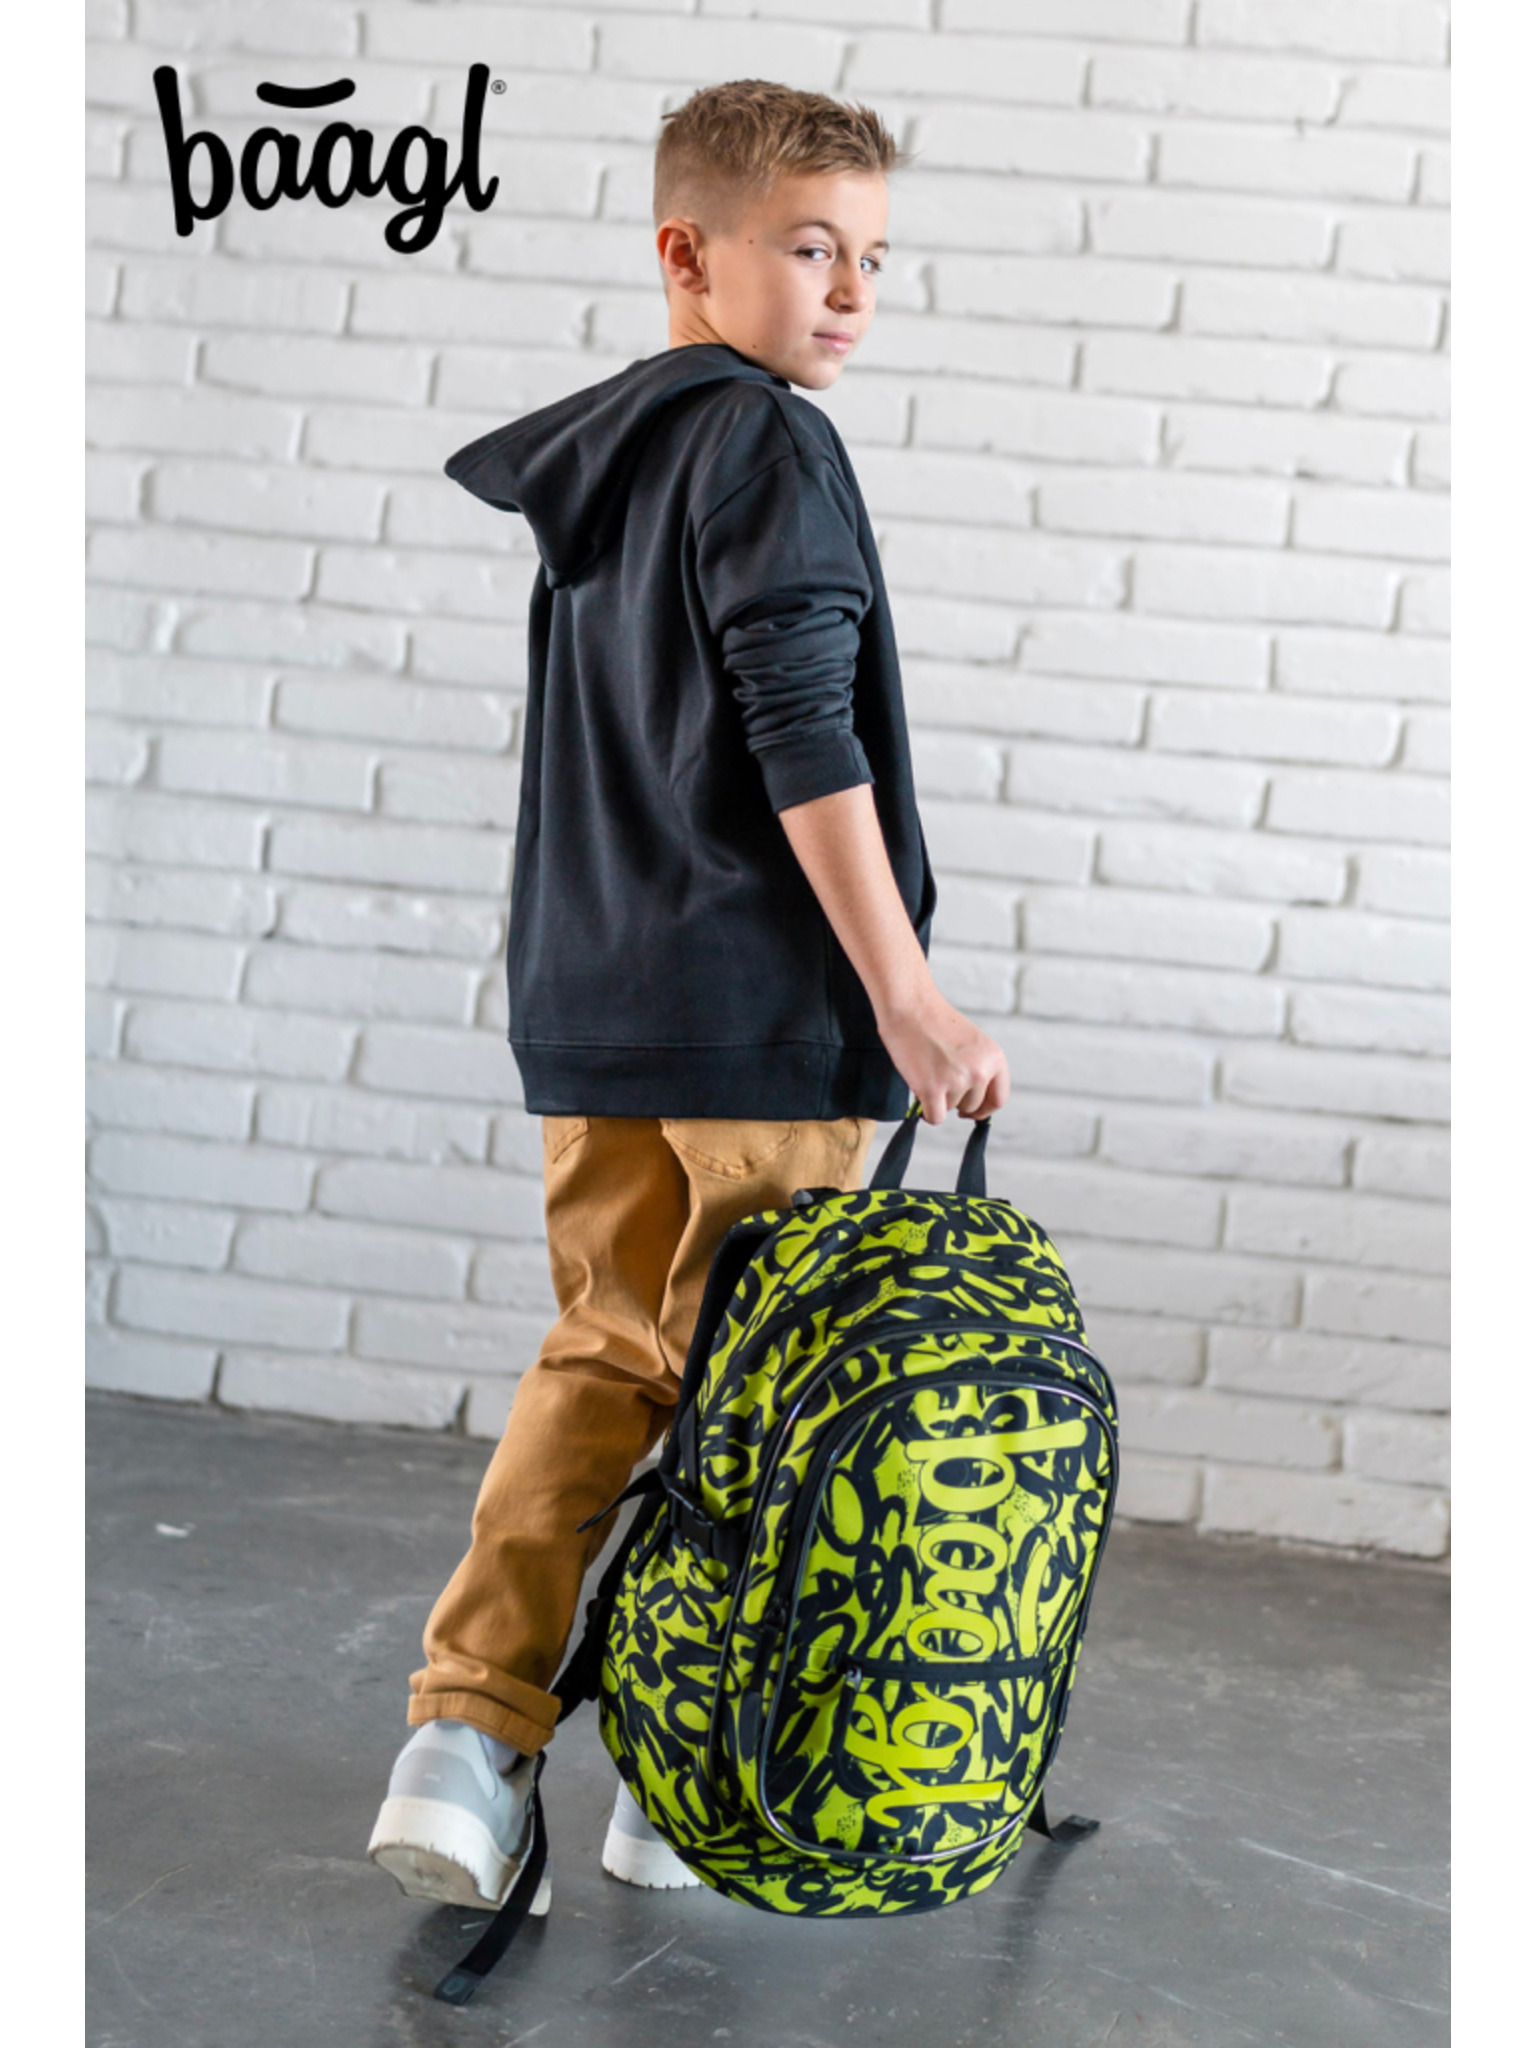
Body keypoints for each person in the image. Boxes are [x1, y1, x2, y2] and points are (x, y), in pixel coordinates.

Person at [367, 77, 1010, 1915]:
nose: (852, 291)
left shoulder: (614, 461)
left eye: (872, 255)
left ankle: (502, 1745)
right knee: (759, 1397)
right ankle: (640, 1766)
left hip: (599, 1003)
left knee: (612, 1359)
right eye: (811, 248)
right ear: (687, 253)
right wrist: (909, 998)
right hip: (756, 1019)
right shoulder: (767, 444)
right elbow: (803, 734)